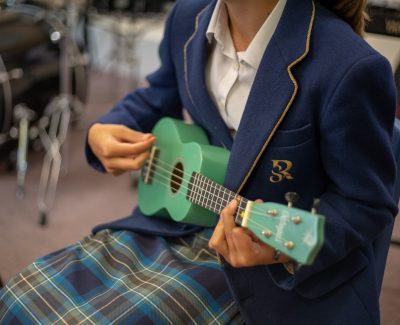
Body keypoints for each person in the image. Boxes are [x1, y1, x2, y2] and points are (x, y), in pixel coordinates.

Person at [0, 0, 398, 323]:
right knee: (17, 300)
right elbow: (158, 92)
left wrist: (279, 250)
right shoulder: (187, 17)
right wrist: (105, 128)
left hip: (276, 273)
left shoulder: (349, 66)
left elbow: (367, 205)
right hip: (180, 221)